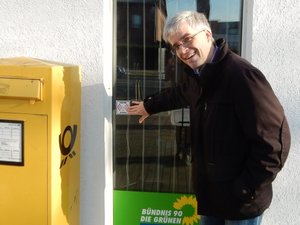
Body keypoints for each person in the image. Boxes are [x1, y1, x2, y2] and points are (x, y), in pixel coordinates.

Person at [128, 11, 291, 225]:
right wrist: (149, 106)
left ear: (207, 34)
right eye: (176, 46)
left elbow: (275, 143)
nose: (183, 51)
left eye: (187, 40)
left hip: (241, 204)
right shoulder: (199, 76)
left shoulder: (242, 76)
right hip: (211, 197)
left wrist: (246, 187)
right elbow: (179, 93)